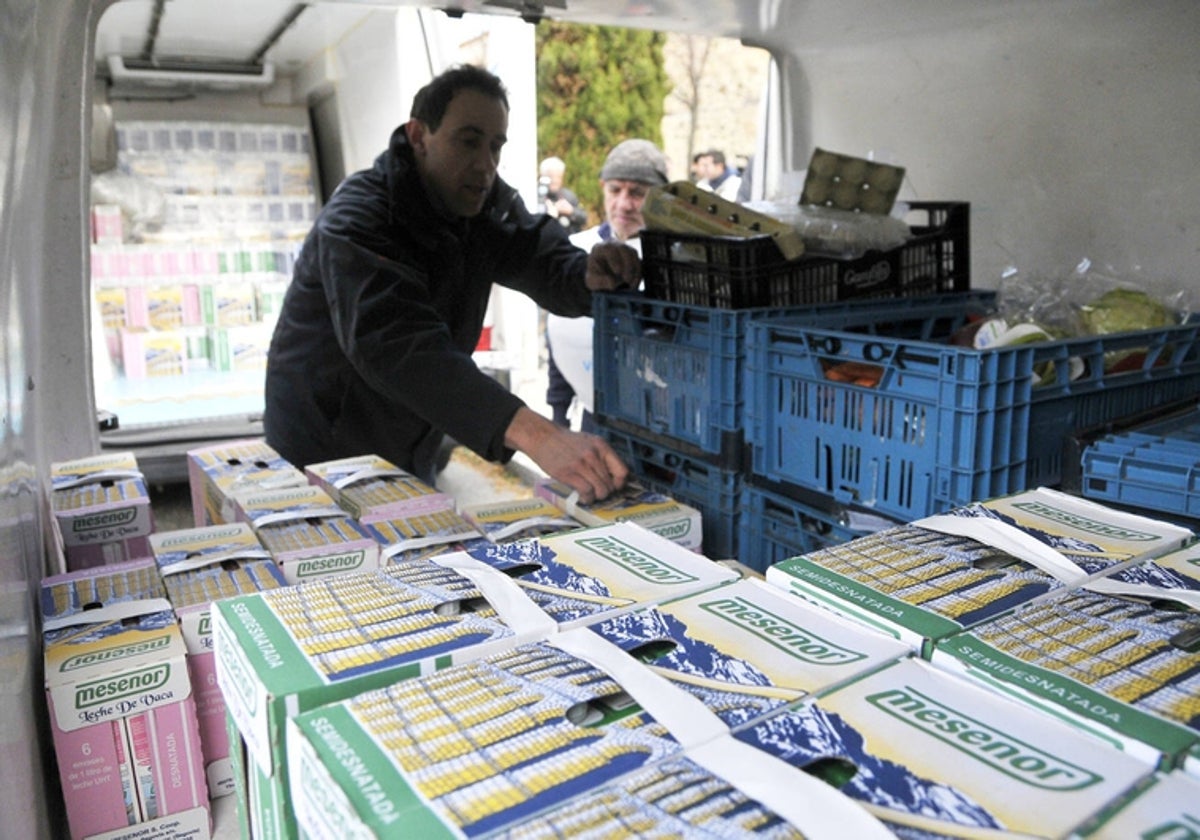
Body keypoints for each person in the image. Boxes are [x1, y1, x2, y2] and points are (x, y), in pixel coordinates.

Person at [263, 64, 636, 503]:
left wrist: (587, 274)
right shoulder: (360, 218)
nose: (485, 165)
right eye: (469, 140)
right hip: (326, 447)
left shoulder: (482, 205)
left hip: (410, 435)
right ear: (420, 136)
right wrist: (538, 435)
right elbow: (399, 346)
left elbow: (540, 255)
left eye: (496, 146)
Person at [545, 139, 670, 434]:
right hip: (595, 420)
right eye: (615, 190)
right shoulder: (577, 251)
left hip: (662, 427)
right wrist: (559, 415)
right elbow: (560, 335)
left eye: (637, 193)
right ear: (602, 187)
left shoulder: (677, 261)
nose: (624, 204)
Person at [537, 156, 588, 234]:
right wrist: (549, 215)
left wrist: (571, 211)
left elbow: (584, 218)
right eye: (551, 176)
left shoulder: (569, 196)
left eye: (558, 177)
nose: (555, 181)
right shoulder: (537, 197)